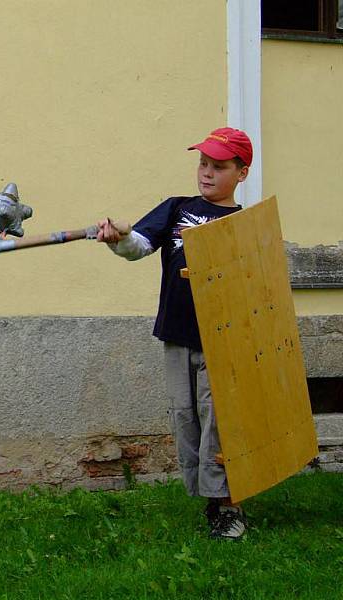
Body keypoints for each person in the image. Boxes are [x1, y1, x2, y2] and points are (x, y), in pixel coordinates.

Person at [96, 127, 252, 540]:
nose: (206, 172)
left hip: (225, 340)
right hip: (178, 334)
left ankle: (229, 507)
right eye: (203, 163)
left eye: (218, 166)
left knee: (218, 422)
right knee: (187, 421)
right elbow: (139, 248)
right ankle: (210, 499)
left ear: (242, 173)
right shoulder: (176, 208)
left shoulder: (247, 224)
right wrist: (121, 237)